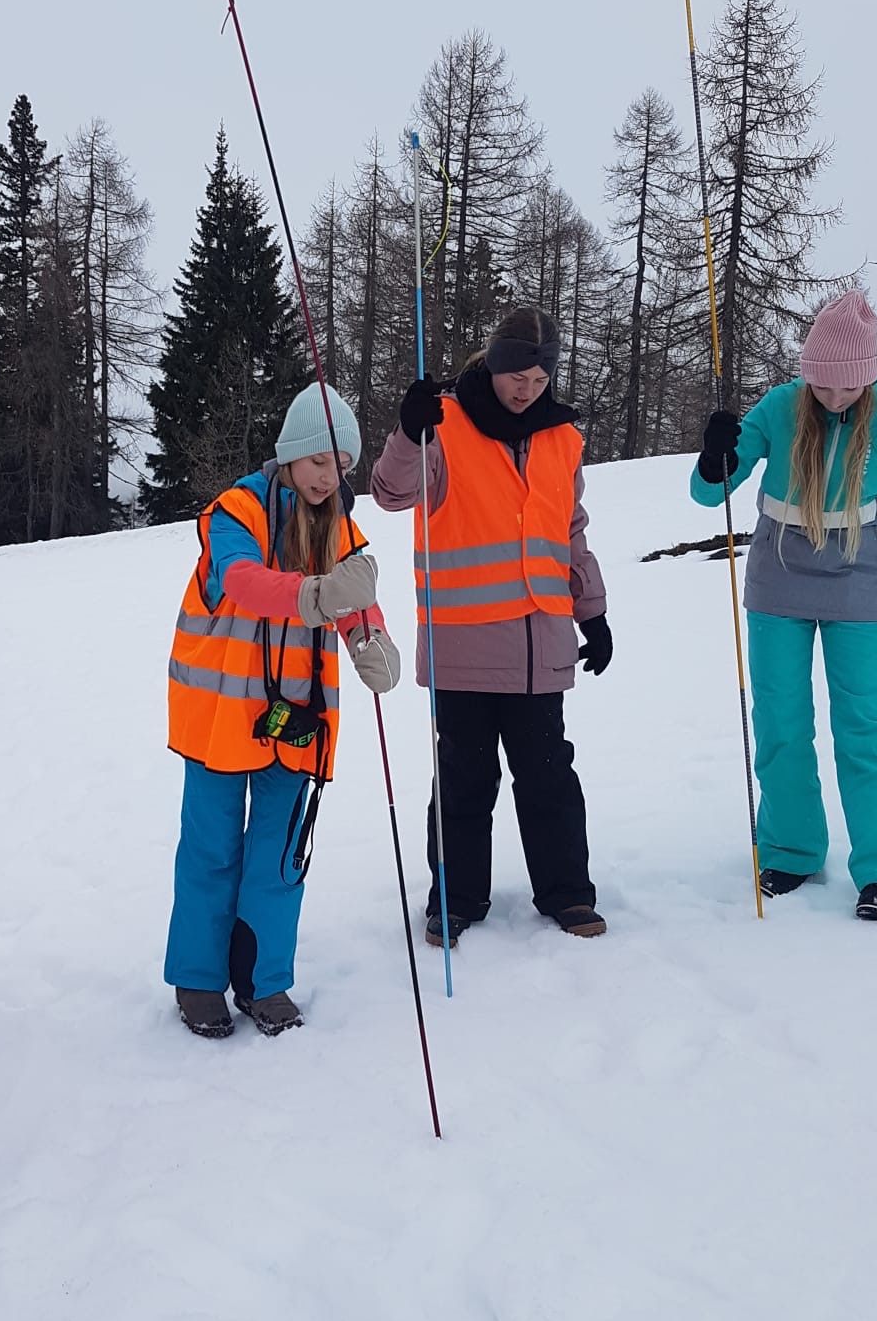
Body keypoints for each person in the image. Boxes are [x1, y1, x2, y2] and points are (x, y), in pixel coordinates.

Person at [690, 289, 877, 921]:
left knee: (865, 728)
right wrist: (715, 455)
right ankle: (791, 849)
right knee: (780, 721)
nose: (833, 397)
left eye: (848, 386)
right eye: (821, 385)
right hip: (778, 578)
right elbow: (708, 492)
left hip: (860, 580)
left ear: (870, 374)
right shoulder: (779, 407)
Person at [165, 383, 401, 1039]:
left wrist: (372, 642)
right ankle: (198, 980)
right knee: (212, 852)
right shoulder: (235, 511)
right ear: (292, 452)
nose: (329, 476)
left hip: (296, 717)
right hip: (218, 715)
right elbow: (241, 582)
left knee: (282, 853)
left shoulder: (340, 527)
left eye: (341, 465)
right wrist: (321, 594)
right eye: (319, 460)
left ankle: (263, 982)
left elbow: (356, 600)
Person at [370, 307, 610, 949]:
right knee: (464, 782)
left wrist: (592, 611)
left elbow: (570, 531)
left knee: (549, 777)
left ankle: (567, 892)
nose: (526, 389)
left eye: (539, 378)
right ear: (493, 364)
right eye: (515, 376)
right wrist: (409, 432)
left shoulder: (563, 438)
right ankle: (455, 898)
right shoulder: (444, 422)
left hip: (542, 645)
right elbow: (390, 493)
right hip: (464, 644)